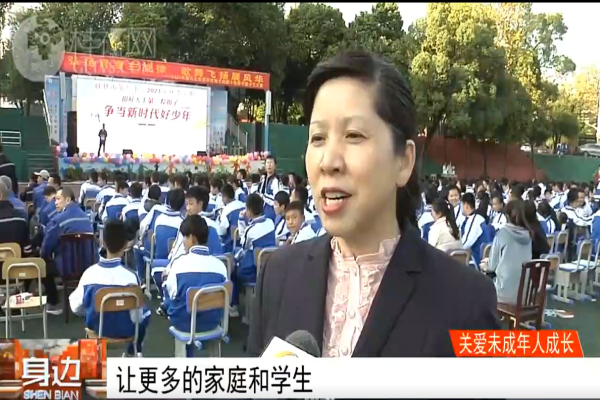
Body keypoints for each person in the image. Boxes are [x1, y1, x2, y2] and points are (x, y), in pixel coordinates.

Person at [248, 51, 499, 358]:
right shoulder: (277, 275)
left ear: (403, 161)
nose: (328, 161)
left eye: (353, 135)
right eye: (317, 138)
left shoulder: (466, 303)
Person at [69, 219, 150, 356]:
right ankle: (134, 351)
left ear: (103, 243)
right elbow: (137, 316)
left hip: (96, 331)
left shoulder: (89, 274)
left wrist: (90, 310)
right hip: (126, 331)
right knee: (145, 311)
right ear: (126, 245)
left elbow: (75, 307)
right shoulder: (132, 277)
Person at [163, 215, 228, 357]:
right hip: (213, 322)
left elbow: (172, 294)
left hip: (184, 324)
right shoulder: (220, 266)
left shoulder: (179, 264)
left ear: (192, 238)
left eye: (184, 237)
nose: (183, 242)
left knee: (171, 298)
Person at [40, 186, 94, 314]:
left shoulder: (59, 220)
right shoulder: (86, 217)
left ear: (68, 200)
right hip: (88, 265)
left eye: (58, 199)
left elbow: (47, 246)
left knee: (42, 265)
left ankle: (54, 303)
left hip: (67, 268)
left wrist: (43, 256)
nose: (55, 202)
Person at [231, 193, 275, 319]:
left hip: (253, 268)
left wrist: (241, 220)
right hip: (270, 265)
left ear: (249, 211)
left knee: (232, 270)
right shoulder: (270, 222)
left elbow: (243, 243)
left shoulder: (251, 230)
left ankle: (234, 305)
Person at [482, 200, 532, 305]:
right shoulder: (529, 235)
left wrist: (485, 264)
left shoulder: (502, 234)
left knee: (481, 281)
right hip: (524, 295)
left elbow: (491, 266)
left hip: (503, 294)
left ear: (506, 215)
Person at [460, 192, 488, 266]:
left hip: (477, 260)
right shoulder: (478, 218)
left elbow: (465, 244)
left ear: (466, 205)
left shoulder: (474, 221)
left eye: (461, 205)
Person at [217, 184, 245, 253]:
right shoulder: (243, 205)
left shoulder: (226, 211)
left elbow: (221, 232)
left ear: (225, 197)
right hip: (245, 242)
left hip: (232, 246)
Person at [257, 155, 282, 221]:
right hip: (261, 210)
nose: (269, 165)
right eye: (267, 163)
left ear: (275, 166)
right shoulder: (263, 178)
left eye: (271, 163)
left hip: (271, 211)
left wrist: (263, 196)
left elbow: (275, 198)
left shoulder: (275, 180)